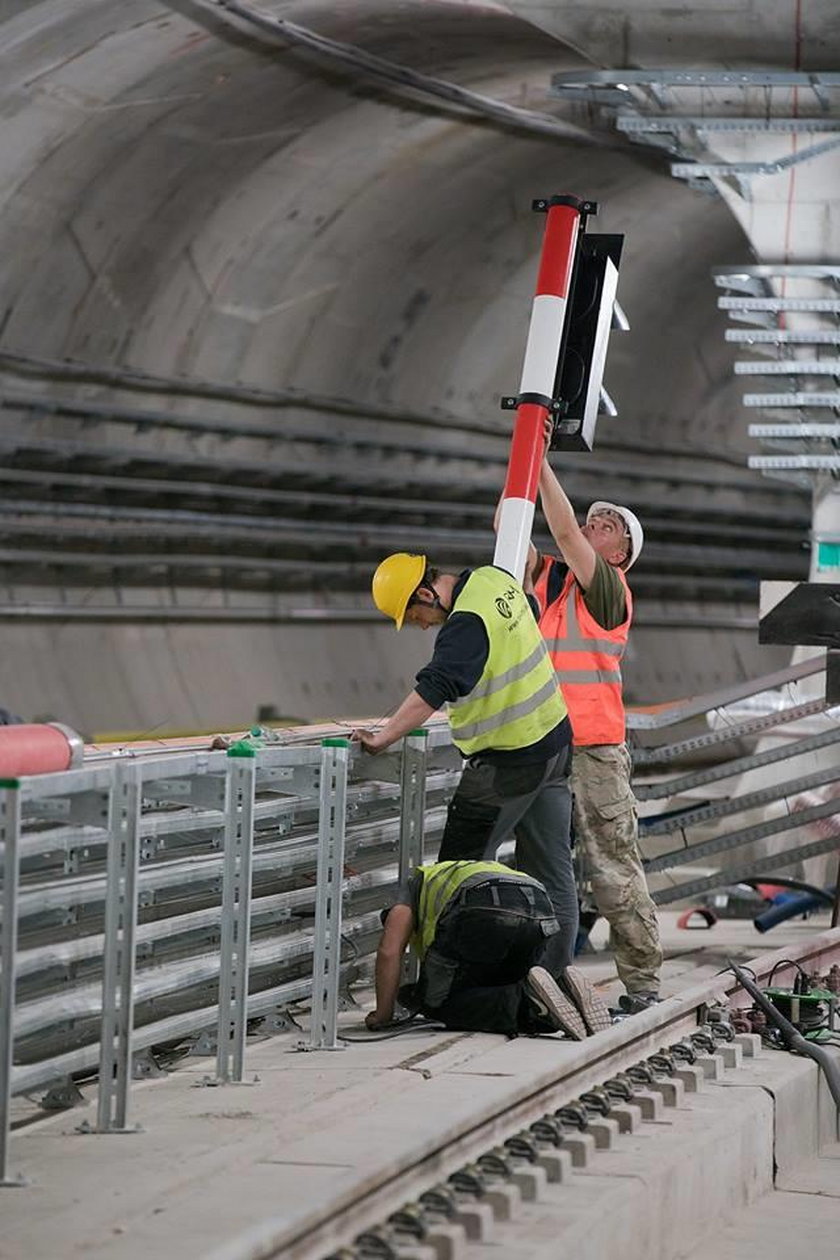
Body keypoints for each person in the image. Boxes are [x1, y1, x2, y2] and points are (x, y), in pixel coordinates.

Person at [353, 552, 578, 971]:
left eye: (414, 612)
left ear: (425, 592)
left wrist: (382, 737)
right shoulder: (493, 580)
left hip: (508, 763)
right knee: (553, 871)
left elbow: (436, 685)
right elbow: (528, 606)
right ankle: (554, 978)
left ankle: (448, 982)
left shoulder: (465, 623)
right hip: (555, 745)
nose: (420, 624)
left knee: (455, 873)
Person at [530, 455, 663, 1014]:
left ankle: (643, 985)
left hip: (594, 749)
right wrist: (520, 470)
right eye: (590, 518)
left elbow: (559, 526)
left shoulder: (609, 590)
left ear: (617, 555)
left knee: (611, 864)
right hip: (544, 742)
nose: (589, 524)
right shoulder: (556, 587)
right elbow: (507, 528)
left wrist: (536, 457)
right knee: (542, 866)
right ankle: (542, 976)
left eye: (605, 526)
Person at [364, 858, 611, 1038]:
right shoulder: (454, 870)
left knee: (437, 1004)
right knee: (499, 988)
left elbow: (389, 952)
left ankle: (529, 1006)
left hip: (480, 908)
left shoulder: (410, 889)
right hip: (539, 908)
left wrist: (383, 1016)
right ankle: (566, 992)